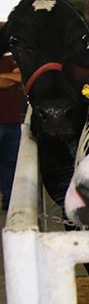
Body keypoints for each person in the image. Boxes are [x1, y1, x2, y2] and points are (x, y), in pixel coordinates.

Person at [0, 47, 22, 211]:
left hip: (12, 122)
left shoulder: (5, 61)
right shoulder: (8, 63)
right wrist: (10, 78)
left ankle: (9, 200)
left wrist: (4, 77)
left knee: (11, 163)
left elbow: (21, 76)